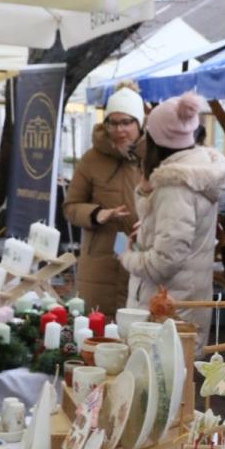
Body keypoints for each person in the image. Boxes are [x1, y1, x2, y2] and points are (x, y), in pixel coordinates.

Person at [120, 92, 225, 355]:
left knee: (162, 378)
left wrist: (127, 258)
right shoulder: (197, 171)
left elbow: (164, 262)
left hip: (167, 310)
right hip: (183, 303)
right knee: (178, 376)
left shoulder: (175, 187)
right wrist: (148, 217)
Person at [63, 82, 145, 317]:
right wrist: (96, 214)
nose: (119, 129)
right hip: (100, 260)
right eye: (113, 122)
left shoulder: (153, 158)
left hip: (142, 257)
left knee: (138, 326)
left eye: (126, 122)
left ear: (139, 123)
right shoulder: (91, 159)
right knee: (98, 326)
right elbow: (70, 206)